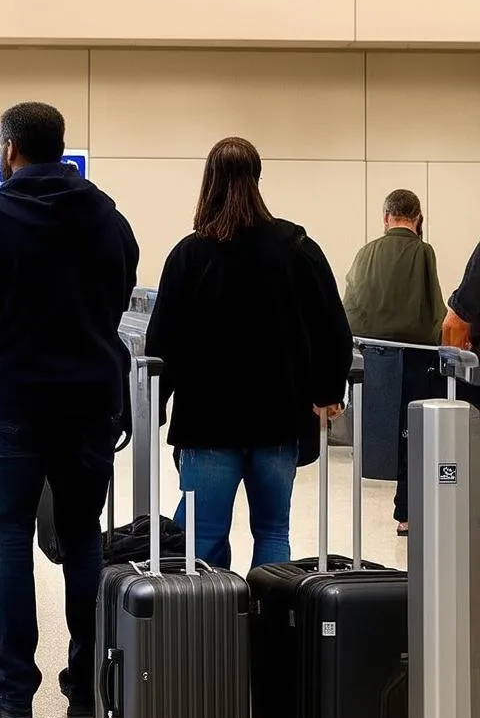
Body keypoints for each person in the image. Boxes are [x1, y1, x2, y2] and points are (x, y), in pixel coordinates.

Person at [0, 102, 139, 718]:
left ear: (9, 149)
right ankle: (86, 688)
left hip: (11, 402)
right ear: (62, 147)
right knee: (83, 537)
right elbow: (119, 295)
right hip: (88, 401)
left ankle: (12, 688)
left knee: (8, 537)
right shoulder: (108, 217)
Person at [146, 136, 352, 573]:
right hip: (278, 421)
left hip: (207, 424)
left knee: (203, 536)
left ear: (209, 181)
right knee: (274, 531)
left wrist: (157, 405)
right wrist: (328, 391)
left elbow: (162, 342)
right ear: (257, 178)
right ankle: (270, 630)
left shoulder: (189, 254)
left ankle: (208, 630)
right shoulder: (296, 248)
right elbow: (333, 327)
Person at [342, 189, 445, 536]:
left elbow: (350, 307)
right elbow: (435, 311)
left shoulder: (366, 252)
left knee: (375, 433)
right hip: (416, 359)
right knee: (412, 435)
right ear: (417, 218)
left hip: (372, 359)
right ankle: (407, 513)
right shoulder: (423, 251)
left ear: (386, 217)